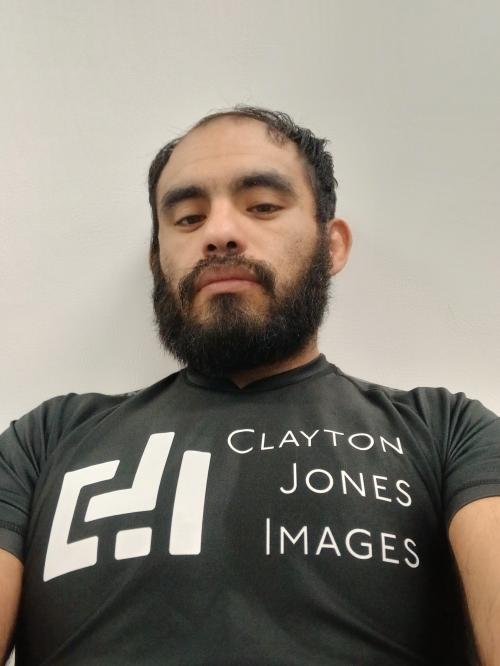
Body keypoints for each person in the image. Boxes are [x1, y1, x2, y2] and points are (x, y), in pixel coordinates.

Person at [1, 105, 499, 666]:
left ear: (331, 245)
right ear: (157, 260)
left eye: (262, 206)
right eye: (188, 218)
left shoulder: (449, 434)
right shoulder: (45, 443)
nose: (219, 234)